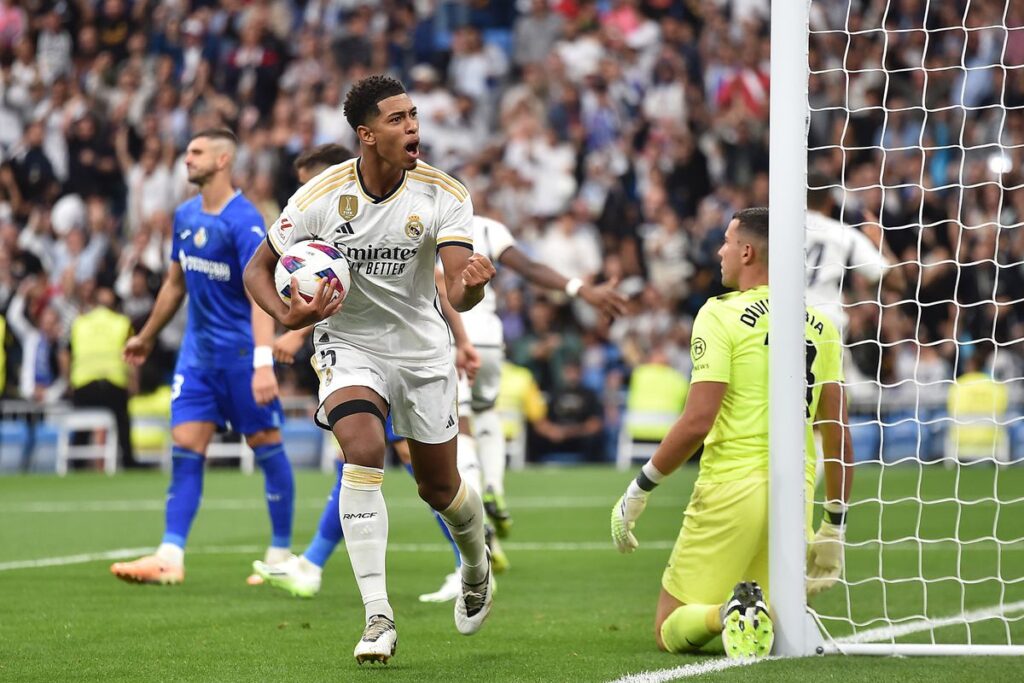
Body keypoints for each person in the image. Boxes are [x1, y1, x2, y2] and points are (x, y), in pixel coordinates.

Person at [243, 74, 497, 665]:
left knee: (439, 487)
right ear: (366, 135)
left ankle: (476, 563)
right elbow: (258, 268)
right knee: (362, 451)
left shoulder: (443, 193)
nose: (412, 127)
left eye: (413, 116)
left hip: (421, 350)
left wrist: (473, 288)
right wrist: (289, 313)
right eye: (397, 119)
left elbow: (457, 290)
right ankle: (378, 616)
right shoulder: (318, 197)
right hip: (348, 343)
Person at [609, 208, 854, 659]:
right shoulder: (822, 326)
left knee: (668, 628)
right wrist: (834, 525)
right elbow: (835, 430)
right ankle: (748, 611)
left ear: (747, 250)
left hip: (732, 486)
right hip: (795, 492)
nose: (719, 250)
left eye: (726, 240)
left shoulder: (718, 315)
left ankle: (725, 614)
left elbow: (698, 421)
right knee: (773, 614)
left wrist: (639, 487)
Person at [110, 128, 296, 586]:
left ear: (223, 158)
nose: (186, 159)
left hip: (239, 356)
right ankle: (170, 556)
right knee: (186, 448)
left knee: (266, 445)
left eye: (196, 152)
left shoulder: (245, 221)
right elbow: (176, 283)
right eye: (188, 151)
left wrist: (261, 363)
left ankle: (280, 553)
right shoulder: (185, 214)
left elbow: (260, 295)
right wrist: (147, 336)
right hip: (197, 358)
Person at [67, 286, 135, 468]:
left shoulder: (80, 323)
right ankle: (128, 459)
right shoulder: (122, 322)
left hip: (83, 384)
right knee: (122, 420)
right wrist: (133, 384)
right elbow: (132, 356)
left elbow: (68, 354)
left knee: (81, 425)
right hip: (113, 383)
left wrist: (70, 382)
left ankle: (76, 463)